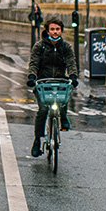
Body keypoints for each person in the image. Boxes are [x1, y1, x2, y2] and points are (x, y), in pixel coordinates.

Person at [26, 17, 79, 158]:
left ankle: (64, 117)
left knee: (64, 95)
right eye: (52, 29)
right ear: (47, 31)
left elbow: (71, 62)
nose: (55, 32)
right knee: (43, 109)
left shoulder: (66, 47)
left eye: (57, 29)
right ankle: (37, 141)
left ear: (61, 31)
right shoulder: (39, 46)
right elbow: (34, 63)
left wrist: (73, 76)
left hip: (60, 80)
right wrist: (32, 76)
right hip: (43, 82)